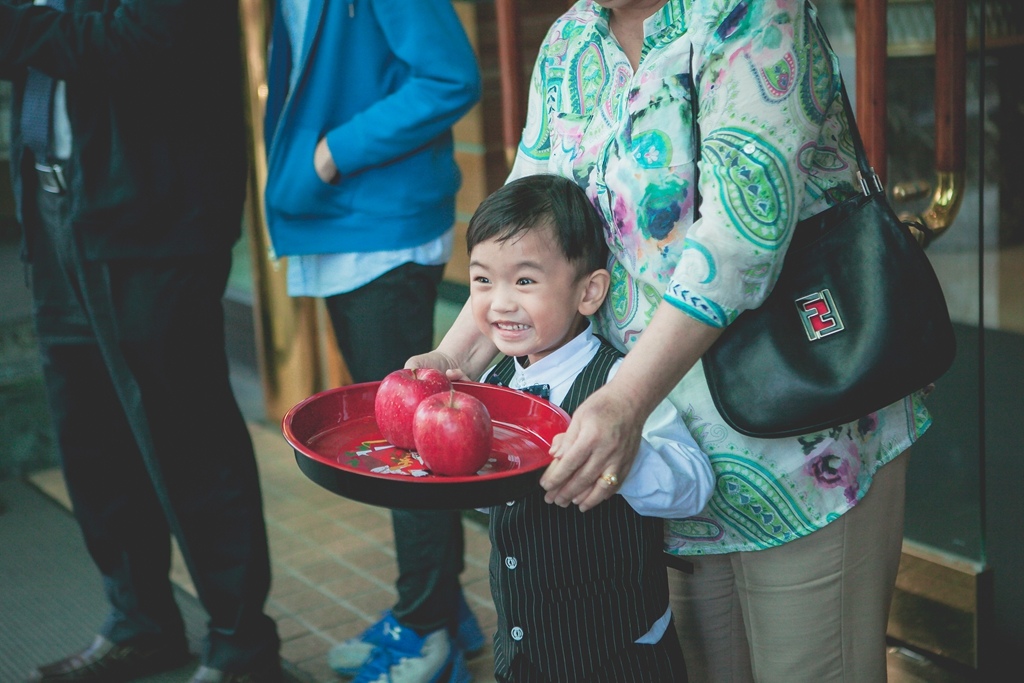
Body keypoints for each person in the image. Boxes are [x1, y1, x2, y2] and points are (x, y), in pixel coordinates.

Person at [408, 1, 933, 681]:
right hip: (662, 462)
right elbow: (524, 233)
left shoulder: (751, 13)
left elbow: (742, 238)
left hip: (798, 444)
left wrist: (623, 400)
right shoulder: (571, 40)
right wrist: (453, 362)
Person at [1, 1, 281, 682]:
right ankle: (140, 622)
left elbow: (147, 41)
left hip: (151, 215)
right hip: (55, 204)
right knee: (90, 436)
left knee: (187, 435)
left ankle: (242, 645)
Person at [260, 1, 483, 682]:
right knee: (401, 441)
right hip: (347, 222)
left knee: (408, 447)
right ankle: (441, 609)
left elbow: (450, 77)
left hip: (380, 226)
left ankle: (427, 634)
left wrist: (332, 153)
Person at [459, 174, 715, 683]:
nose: (501, 302)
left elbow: (694, 488)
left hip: (620, 655)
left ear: (589, 291)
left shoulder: (619, 385)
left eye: (525, 281)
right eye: (483, 280)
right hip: (525, 650)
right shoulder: (493, 382)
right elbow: (492, 501)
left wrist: (624, 453)